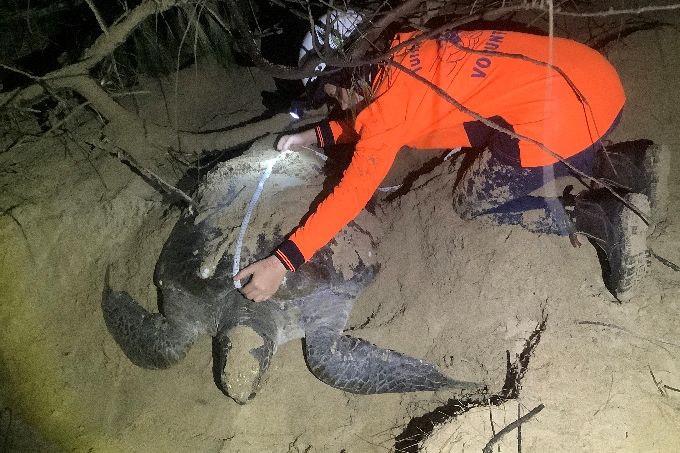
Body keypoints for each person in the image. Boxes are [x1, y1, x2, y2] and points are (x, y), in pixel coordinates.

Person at [234, 28, 660, 303]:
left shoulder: (383, 117)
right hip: (595, 81)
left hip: (563, 120)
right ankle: (629, 163)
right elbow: (366, 116)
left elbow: (350, 195)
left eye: (330, 97)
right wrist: (315, 135)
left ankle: (599, 215)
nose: (332, 106)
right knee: (516, 126)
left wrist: (281, 263)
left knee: (470, 202)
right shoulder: (406, 47)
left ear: (342, 83)